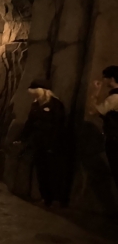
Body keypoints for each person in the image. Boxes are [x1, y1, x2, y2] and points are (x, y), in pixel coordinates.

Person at [17, 79, 72, 207]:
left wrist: (53, 143)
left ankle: (57, 198)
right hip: (38, 141)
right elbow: (30, 122)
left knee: (54, 170)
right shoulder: (36, 105)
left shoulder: (55, 104)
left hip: (52, 142)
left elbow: (58, 125)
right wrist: (22, 137)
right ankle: (45, 197)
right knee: (41, 170)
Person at [90, 65, 118, 189]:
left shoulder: (114, 98)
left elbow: (92, 111)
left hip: (115, 140)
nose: (103, 80)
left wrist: (96, 91)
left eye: (104, 77)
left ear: (112, 79)